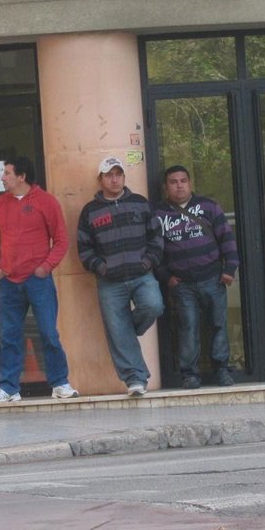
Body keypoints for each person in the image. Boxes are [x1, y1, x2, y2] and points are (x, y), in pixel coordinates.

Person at [0, 156, 78, 402]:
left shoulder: (46, 202)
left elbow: (61, 240)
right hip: (9, 281)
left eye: (7, 173)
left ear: (22, 176)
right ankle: (8, 387)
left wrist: (45, 267)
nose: (2, 178)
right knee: (9, 336)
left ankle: (60, 383)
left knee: (48, 333)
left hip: (38, 281)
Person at [77, 155, 165, 396]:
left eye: (118, 174)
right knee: (117, 329)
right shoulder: (90, 211)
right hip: (109, 281)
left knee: (154, 306)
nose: (114, 179)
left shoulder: (140, 203)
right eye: (109, 175)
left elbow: (156, 238)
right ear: (100, 179)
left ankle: (126, 331)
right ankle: (135, 379)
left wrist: (147, 262)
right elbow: (84, 249)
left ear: (124, 177)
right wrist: (101, 268)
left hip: (142, 275)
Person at [152, 165, 239, 389]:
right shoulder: (158, 214)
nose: (179, 186)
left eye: (183, 181)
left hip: (213, 278)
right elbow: (154, 251)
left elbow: (227, 238)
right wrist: (166, 277)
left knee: (218, 325)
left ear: (190, 183)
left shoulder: (209, 206)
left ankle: (222, 371)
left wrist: (229, 269)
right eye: (173, 182)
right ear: (166, 187)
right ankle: (190, 375)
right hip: (182, 285)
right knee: (188, 328)